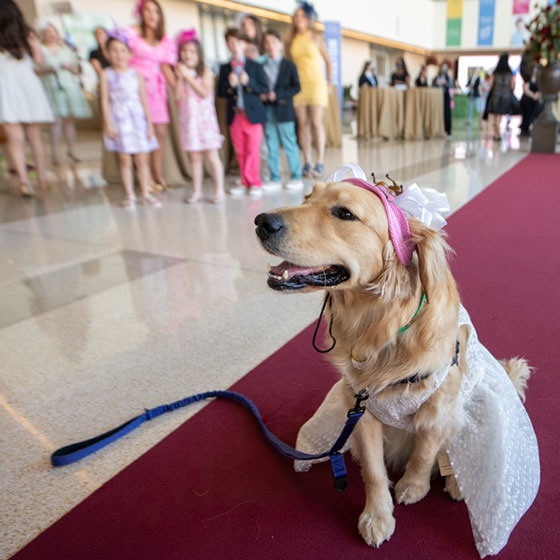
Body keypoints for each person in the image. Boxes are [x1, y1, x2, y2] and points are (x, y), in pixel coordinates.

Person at [100, 29, 161, 209]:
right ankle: (129, 195)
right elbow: (104, 100)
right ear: (108, 53)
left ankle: (145, 192)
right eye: (114, 50)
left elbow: (144, 100)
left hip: (137, 120)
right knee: (125, 159)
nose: (119, 54)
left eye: (122, 50)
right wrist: (108, 125)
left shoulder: (136, 74)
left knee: (142, 159)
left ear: (129, 53)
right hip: (118, 120)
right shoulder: (106, 74)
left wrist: (149, 125)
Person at [0, 1, 54, 196]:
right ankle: (41, 178)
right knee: (35, 137)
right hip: (29, 89)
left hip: (6, 91)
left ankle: (24, 181)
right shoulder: (28, 35)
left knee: (15, 138)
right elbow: (38, 62)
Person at [128, 0, 177, 191]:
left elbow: (166, 67)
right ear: (141, 12)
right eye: (147, 10)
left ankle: (158, 173)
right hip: (136, 89)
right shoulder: (131, 34)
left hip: (157, 91)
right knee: (142, 134)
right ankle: (145, 177)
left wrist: (178, 89)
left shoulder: (165, 40)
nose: (151, 15)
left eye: (155, 11)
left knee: (160, 133)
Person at [175, 30, 225, 204]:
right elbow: (177, 99)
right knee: (194, 158)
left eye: (191, 51)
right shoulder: (181, 75)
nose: (187, 55)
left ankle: (219, 190)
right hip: (190, 124)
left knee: (212, 156)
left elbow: (204, 92)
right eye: (184, 51)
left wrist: (188, 77)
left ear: (198, 54)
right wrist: (180, 79)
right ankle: (197, 191)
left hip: (205, 123)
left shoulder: (206, 73)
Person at [217, 28, 268, 198]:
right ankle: (245, 180)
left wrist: (249, 82)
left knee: (253, 149)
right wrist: (230, 85)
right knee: (241, 151)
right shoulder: (225, 68)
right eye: (231, 43)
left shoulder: (255, 66)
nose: (235, 46)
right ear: (227, 45)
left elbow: (264, 88)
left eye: (238, 42)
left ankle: (254, 182)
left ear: (244, 44)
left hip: (252, 115)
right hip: (235, 115)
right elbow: (220, 92)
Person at [37, 22, 92, 166]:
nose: (51, 35)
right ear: (43, 35)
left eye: (53, 31)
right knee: (55, 121)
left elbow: (77, 70)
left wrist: (68, 67)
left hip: (69, 87)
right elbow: (36, 70)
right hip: (51, 87)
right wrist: (49, 70)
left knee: (69, 121)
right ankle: (54, 152)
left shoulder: (66, 49)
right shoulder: (41, 50)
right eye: (48, 32)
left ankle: (71, 150)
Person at [287, 1, 331, 178]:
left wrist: (329, 84)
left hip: (316, 83)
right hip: (298, 85)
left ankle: (319, 161)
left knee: (316, 122)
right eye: (296, 16)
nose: (298, 19)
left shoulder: (316, 37)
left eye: (302, 16)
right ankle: (307, 160)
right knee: (302, 124)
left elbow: (328, 62)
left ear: (308, 18)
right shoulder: (290, 39)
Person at [261, 29, 303, 191]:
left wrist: (277, 95)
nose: (270, 45)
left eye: (273, 42)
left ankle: (296, 176)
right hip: (267, 111)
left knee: (289, 144)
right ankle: (275, 178)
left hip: (284, 110)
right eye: (267, 42)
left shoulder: (289, 65)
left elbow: (296, 87)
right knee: (271, 145)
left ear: (279, 44)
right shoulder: (261, 66)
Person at [486, 53, 515, 141]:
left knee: (496, 115)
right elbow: (512, 86)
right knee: (500, 115)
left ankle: (497, 133)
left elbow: (490, 84)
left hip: (496, 95)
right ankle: (497, 133)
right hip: (505, 96)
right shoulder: (510, 73)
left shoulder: (495, 72)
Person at [519, 65, 542, 137]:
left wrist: (537, 95)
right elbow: (526, 89)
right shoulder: (528, 79)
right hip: (527, 101)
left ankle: (530, 130)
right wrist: (533, 96)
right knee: (526, 116)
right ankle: (524, 130)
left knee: (533, 116)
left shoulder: (540, 80)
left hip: (535, 102)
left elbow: (541, 89)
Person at [432, 61, 453, 137]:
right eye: (442, 67)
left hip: (446, 97)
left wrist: (445, 83)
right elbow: (433, 84)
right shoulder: (436, 77)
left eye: (445, 67)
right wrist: (436, 83)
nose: (444, 69)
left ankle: (448, 131)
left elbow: (450, 85)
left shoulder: (448, 78)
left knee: (446, 113)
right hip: (437, 98)